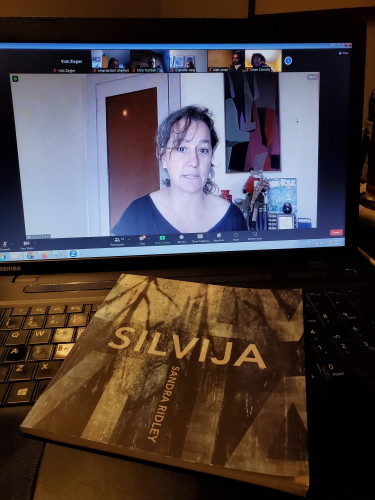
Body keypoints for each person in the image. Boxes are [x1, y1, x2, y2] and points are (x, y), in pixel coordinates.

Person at [112, 106, 247, 235]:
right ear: (163, 157)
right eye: (181, 149)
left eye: (203, 150)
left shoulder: (232, 219)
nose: (194, 162)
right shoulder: (137, 214)